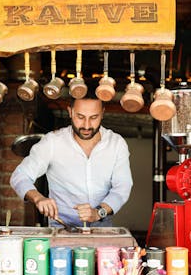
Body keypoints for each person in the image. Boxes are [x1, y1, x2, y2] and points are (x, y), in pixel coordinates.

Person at [10, 88, 133, 227]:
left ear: (102, 114)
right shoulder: (52, 142)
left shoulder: (116, 144)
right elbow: (19, 176)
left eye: (94, 117)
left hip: (102, 229)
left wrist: (98, 212)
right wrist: (38, 198)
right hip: (61, 227)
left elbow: (122, 187)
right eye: (80, 117)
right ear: (70, 112)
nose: (87, 125)